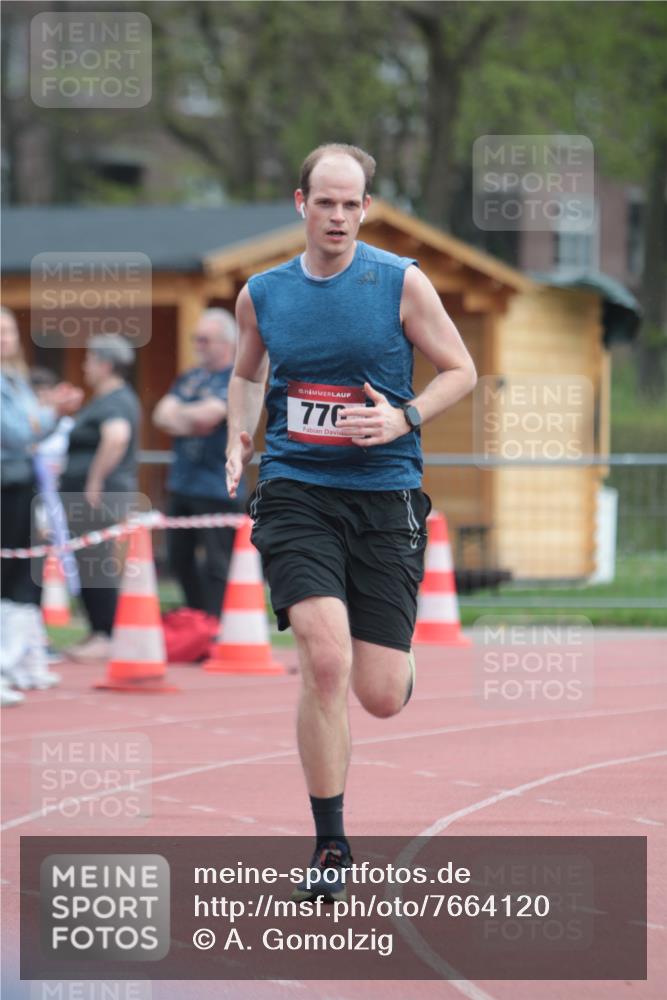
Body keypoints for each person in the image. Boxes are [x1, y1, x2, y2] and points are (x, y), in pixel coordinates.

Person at [225, 143, 477, 901]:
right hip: (298, 489)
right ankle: (330, 843)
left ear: (365, 208)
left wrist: (403, 417)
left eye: (351, 203)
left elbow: (460, 370)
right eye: (324, 202)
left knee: (376, 692)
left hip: (384, 494)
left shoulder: (400, 282)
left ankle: (396, 664)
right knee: (322, 659)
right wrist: (241, 433)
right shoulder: (262, 293)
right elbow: (246, 373)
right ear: (299, 204)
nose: (337, 216)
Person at [0, 307, 82, 704]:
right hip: (4, 486)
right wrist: (49, 416)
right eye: (0, 332)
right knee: (5, 574)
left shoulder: (15, 380)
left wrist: (53, 414)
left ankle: (16, 661)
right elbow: (16, 432)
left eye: (10, 331)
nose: (6, 338)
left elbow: (31, 427)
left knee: (21, 575)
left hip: (20, 486)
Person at [153, 309, 245, 618]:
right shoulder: (190, 377)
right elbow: (160, 415)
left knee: (218, 563)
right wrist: (189, 419)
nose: (199, 346)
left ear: (226, 343)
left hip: (218, 486)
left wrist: (183, 416)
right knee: (178, 559)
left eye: (205, 340)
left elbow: (212, 415)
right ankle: (195, 618)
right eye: (197, 339)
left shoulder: (236, 377)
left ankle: (216, 623)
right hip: (182, 484)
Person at [60, 335, 140, 661]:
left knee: (98, 563)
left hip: (100, 496)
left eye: (90, 360)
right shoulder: (102, 400)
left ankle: (106, 633)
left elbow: (116, 437)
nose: (85, 366)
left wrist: (94, 479)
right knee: (87, 563)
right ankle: (96, 630)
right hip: (88, 494)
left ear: (105, 365)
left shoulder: (116, 401)